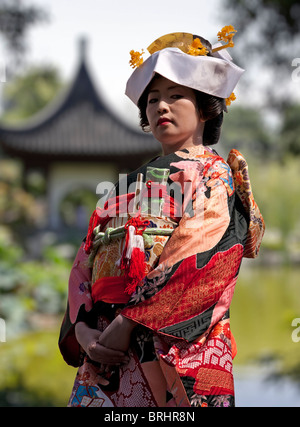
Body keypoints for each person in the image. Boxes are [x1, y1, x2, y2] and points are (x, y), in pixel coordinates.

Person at [59, 29, 265, 407]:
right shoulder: (124, 186)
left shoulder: (215, 175)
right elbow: (86, 261)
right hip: (106, 352)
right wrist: (86, 332)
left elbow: (203, 256)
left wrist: (128, 323)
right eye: (152, 100)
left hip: (179, 349)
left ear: (204, 107)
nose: (161, 107)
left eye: (175, 96)